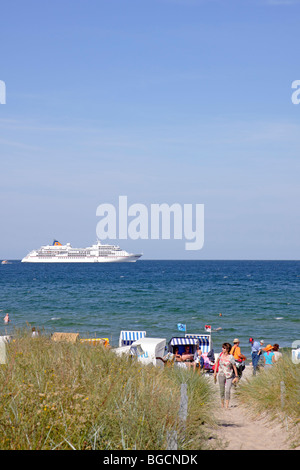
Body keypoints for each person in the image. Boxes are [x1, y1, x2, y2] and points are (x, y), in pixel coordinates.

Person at [214, 343, 239, 409]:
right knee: (222, 390)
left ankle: (227, 406)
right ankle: (222, 405)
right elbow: (216, 363)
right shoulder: (220, 354)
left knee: (227, 390)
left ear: (228, 349)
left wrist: (236, 376)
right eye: (222, 347)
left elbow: (234, 366)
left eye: (224, 348)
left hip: (229, 375)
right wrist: (215, 373)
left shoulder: (231, 357)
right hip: (221, 374)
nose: (223, 349)